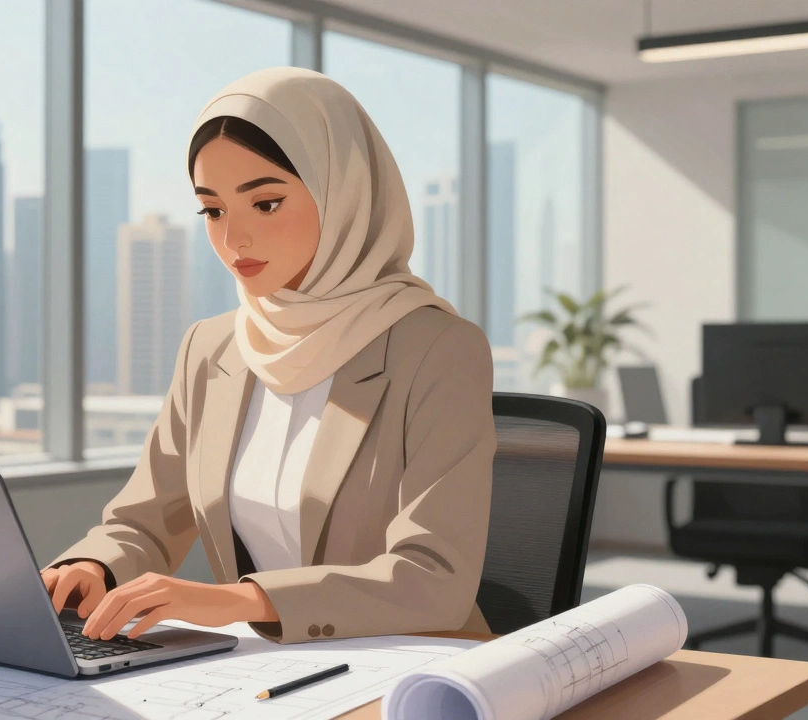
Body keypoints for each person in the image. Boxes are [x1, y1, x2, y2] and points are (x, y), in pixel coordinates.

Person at [41, 66, 496, 645]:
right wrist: (94, 567)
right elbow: (144, 520)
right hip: (267, 671)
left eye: (267, 203)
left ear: (342, 193)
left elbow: (435, 578)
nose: (233, 240)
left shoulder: (437, 350)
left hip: (411, 666)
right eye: (213, 210)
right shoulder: (210, 349)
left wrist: (238, 600)